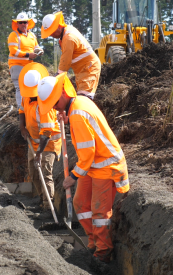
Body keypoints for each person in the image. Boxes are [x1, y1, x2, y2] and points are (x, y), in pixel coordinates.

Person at [37, 72, 129, 263]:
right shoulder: (77, 103)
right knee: (80, 203)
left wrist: (73, 176)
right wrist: (67, 117)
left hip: (106, 165)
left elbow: (88, 152)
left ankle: (103, 252)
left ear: (62, 95)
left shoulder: (77, 113)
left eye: (54, 104)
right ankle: (93, 241)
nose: (54, 108)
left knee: (99, 212)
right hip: (93, 164)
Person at [18, 62, 61, 210]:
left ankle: (48, 207)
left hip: (47, 144)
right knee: (33, 172)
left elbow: (47, 133)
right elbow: (22, 111)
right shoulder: (26, 96)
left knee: (45, 173)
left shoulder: (45, 105)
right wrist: (22, 127)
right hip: (33, 140)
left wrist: (39, 153)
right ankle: (42, 199)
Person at [40, 11, 101, 99]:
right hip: (83, 69)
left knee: (84, 98)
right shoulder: (66, 32)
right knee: (80, 97)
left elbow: (65, 62)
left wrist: (56, 78)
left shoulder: (68, 38)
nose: (51, 35)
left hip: (89, 68)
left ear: (59, 26)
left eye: (52, 32)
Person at [8, 12, 43, 112]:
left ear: (28, 23)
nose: (23, 24)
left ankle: (30, 109)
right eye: (21, 22)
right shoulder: (13, 35)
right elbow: (13, 51)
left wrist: (39, 51)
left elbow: (36, 47)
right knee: (20, 88)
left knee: (31, 86)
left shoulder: (32, 35)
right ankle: (21, 110)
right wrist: (28, 55)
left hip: (29, 66)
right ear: (17, 24)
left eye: (25, 22)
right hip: (17, 66)